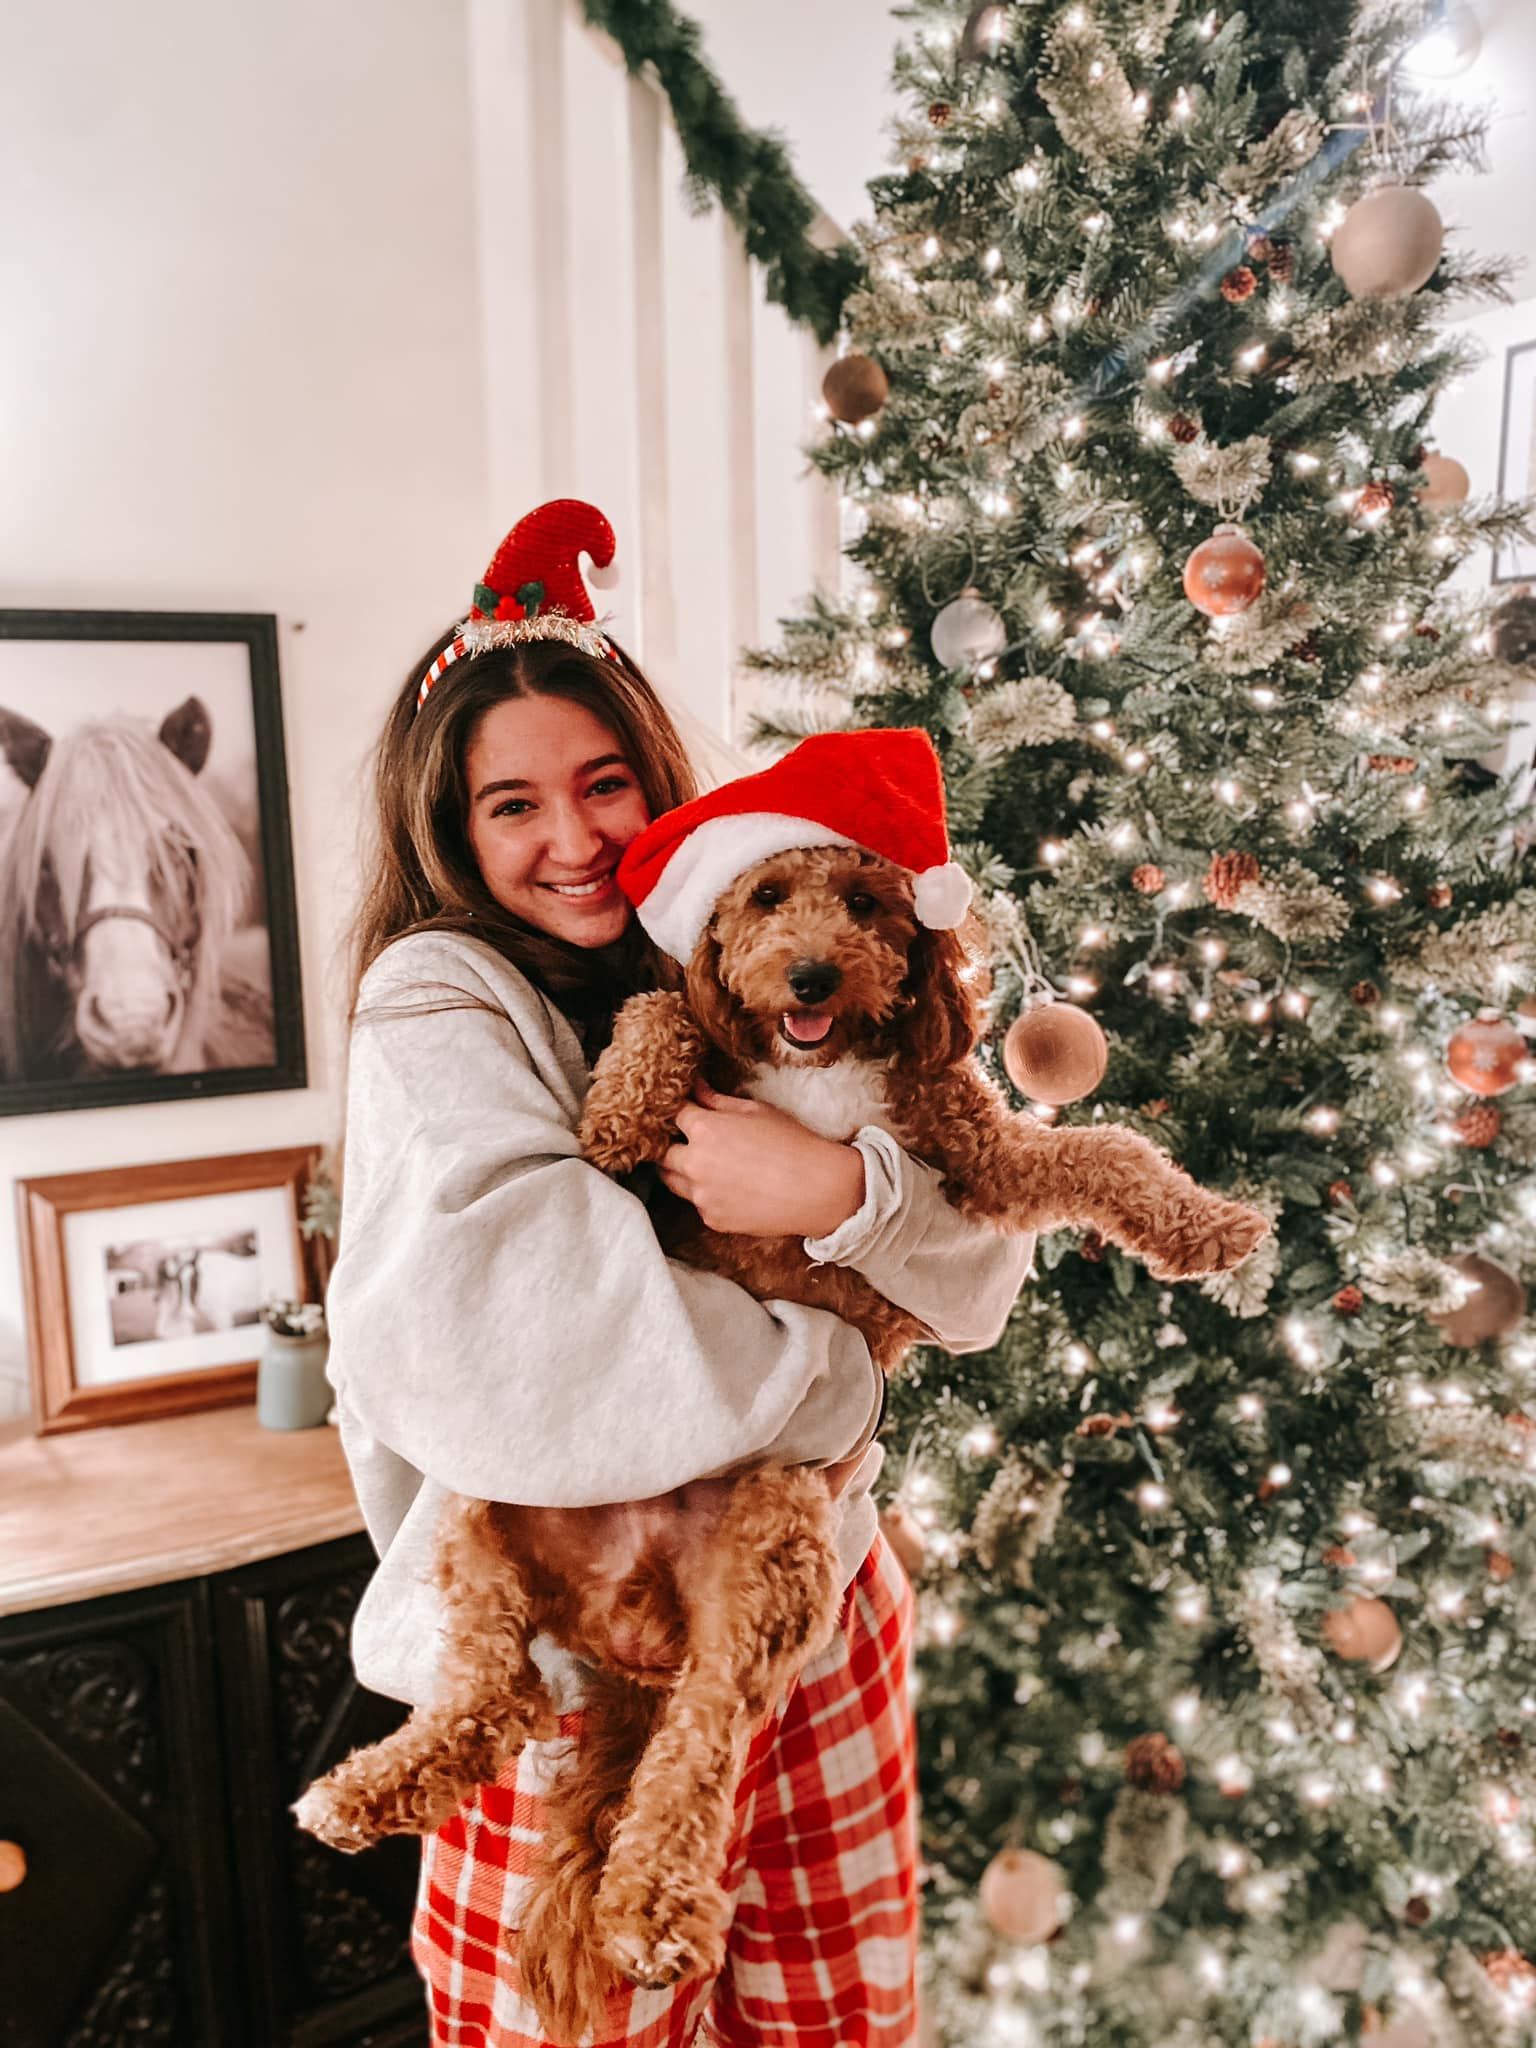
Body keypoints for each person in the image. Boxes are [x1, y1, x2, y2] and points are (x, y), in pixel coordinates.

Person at [325, 501, 1035, 2048]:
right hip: (571, 1646)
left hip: (813, 1609)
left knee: (839, 2017)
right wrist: (833, 1375)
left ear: (657, 780)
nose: (571, 840)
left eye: (604, 784)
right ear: (448, 826)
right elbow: (528, 1327)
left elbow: (984, 1274)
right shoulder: (437, 997)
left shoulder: (750, 930)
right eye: (511, 805)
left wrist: (843, 1189)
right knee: (571, 2022)